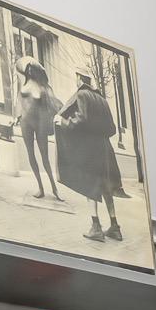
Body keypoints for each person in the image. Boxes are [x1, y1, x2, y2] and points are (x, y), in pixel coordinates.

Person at [53, 68, 126, 242]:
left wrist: (62, 121)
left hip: (91, 151)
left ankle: (96, 228)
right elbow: (112, 129)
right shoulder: (102, 100)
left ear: (79, 79)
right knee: (106, 187)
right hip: (106, 150)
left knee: (90, 187)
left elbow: (82, 120)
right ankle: (115, 227)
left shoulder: (82, 95)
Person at [14, 59, 63, 200]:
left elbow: (54, 103)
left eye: (32, 68)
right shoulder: (24, 85)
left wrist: (59, 114)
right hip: (25, 122)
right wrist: (16, 117)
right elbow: (19, 102)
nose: (29, 71)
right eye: (27, 69)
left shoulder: (44, 87)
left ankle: (54, 188)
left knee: (45, 157)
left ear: (36, 71)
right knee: (31, 154)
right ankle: (40, 188)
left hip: (40, 122)